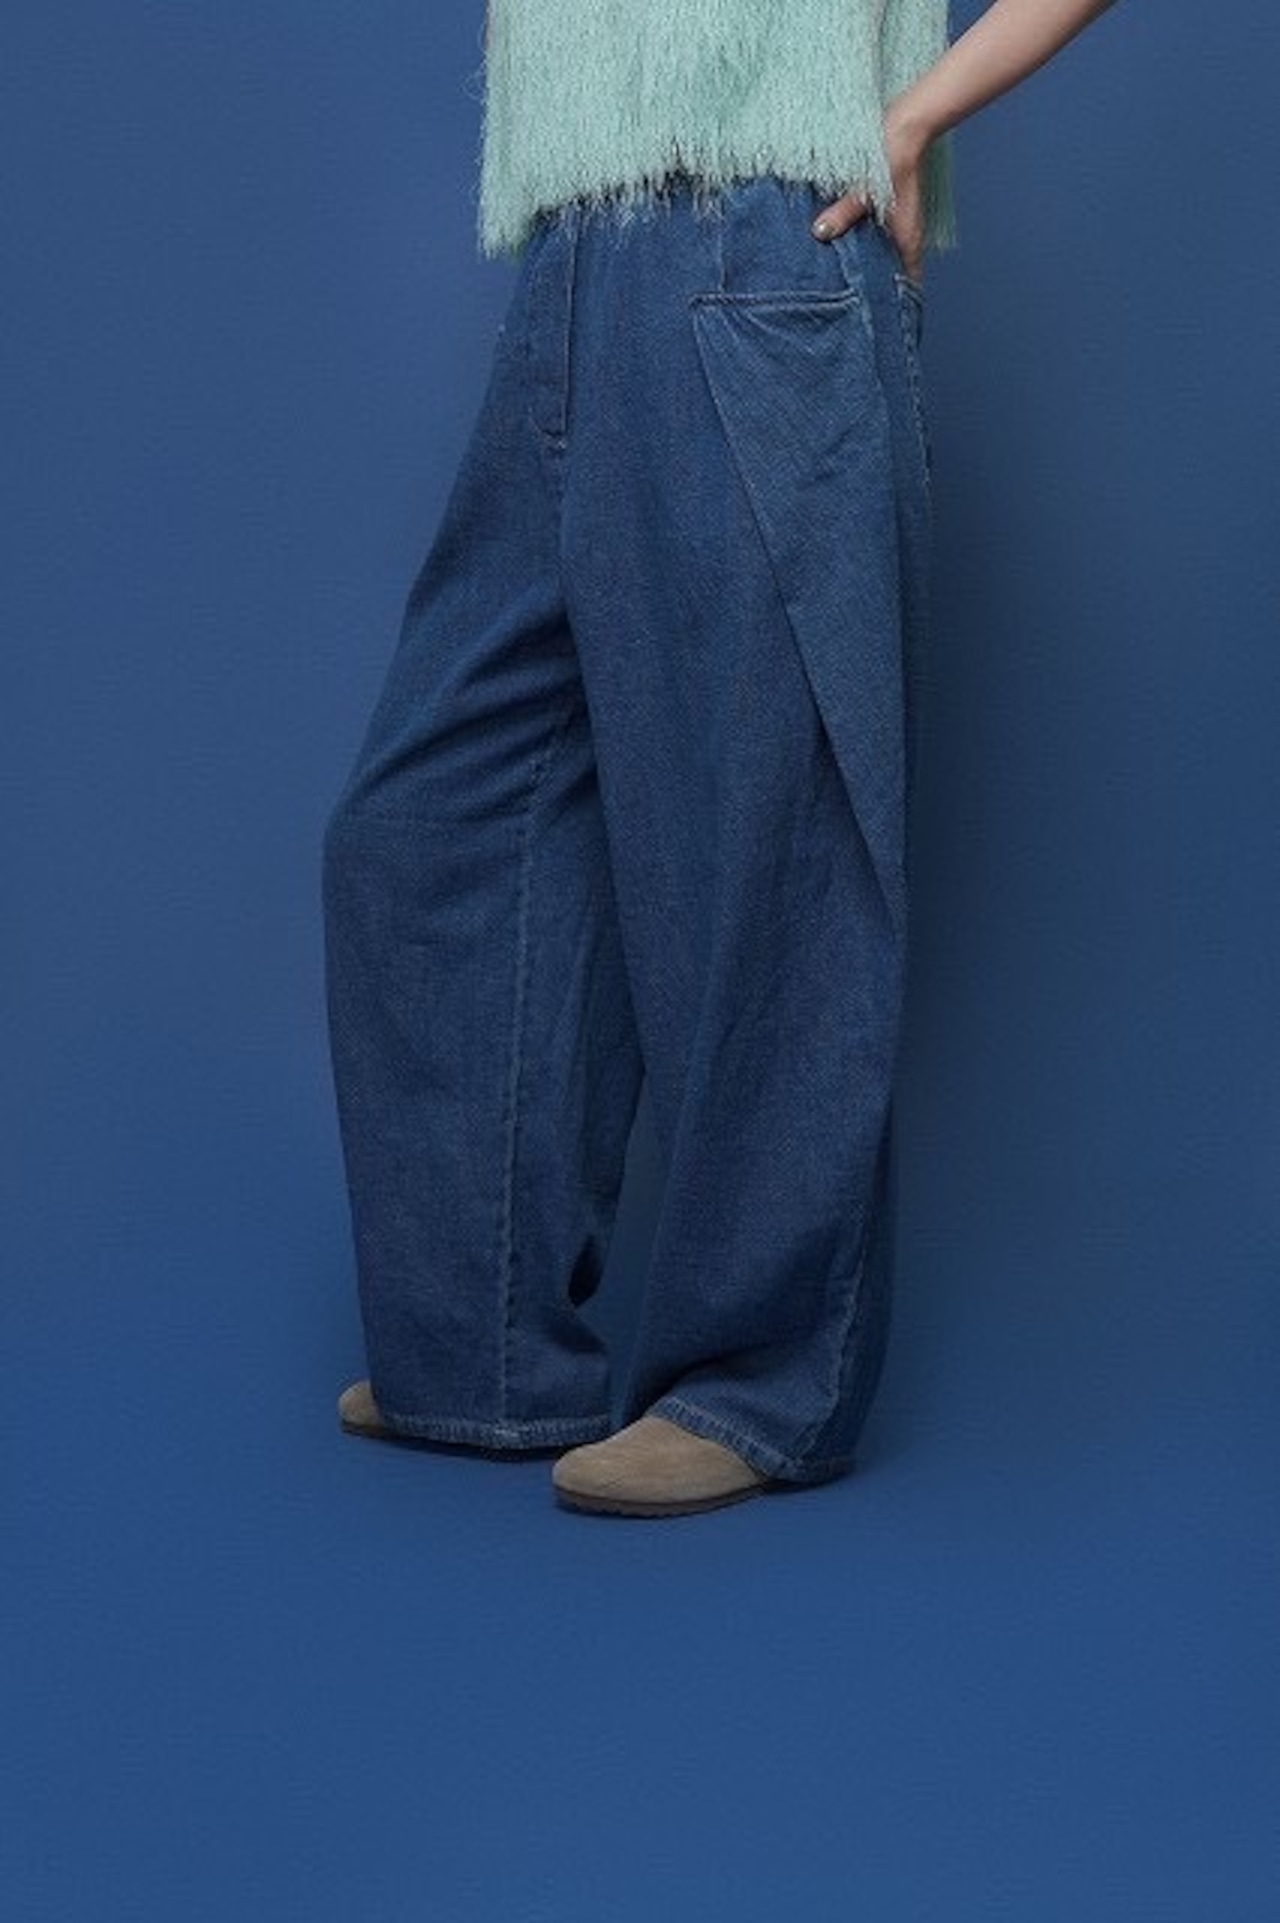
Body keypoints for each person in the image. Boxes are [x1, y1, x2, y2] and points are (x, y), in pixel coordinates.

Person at [323, 0, 1118, 1518]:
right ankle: (481, 1352)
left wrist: (911, 116)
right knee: (433, 824)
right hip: (569, 263)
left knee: (764, 831)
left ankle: (762, 1387)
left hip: (763, 246)